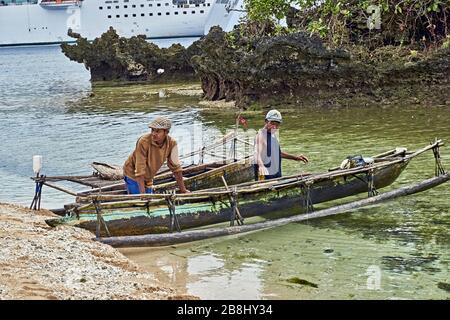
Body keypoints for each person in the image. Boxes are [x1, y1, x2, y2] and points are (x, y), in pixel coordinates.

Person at [123, 116, 189, 194]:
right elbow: (140, 170)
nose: (153, 134)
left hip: (148, 177)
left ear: (166, 132)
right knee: (139, 202)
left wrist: (183, 190)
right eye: (152, 130)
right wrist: (143, 195)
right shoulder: (143, 142)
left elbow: (176, 169)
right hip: (132, 173)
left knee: (150, 198)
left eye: (157, 131)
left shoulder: (172, 144)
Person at [254, 109, 309, 180]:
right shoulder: (260, 135)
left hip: (277, 177)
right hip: (265, 179)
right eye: (272, 123)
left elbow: (277, 153)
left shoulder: (272, 135)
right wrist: (261, 166)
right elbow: (257, 153)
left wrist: (296, 158)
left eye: (277, 125)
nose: (274, 127)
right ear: (266, 121)